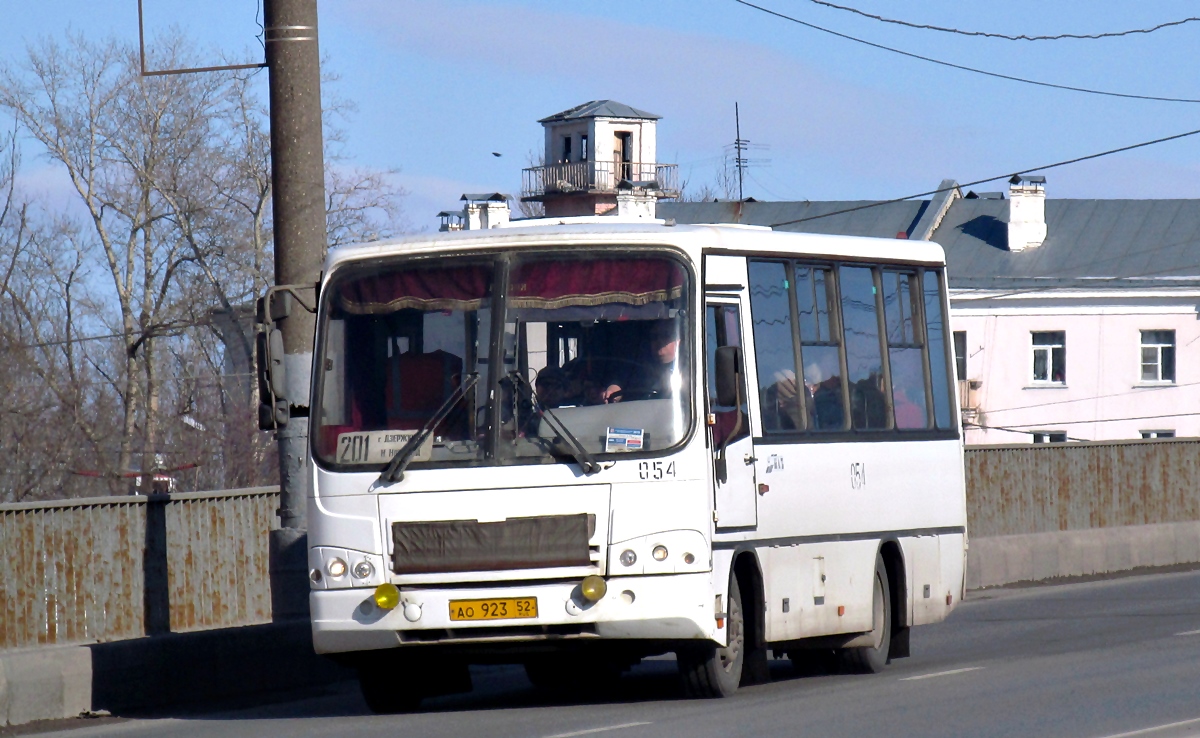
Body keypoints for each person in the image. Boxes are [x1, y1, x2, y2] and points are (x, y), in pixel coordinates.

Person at [600, 319, 681, 403]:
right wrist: (611, 392)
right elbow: (618, 383)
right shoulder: (638, 368)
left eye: (666, 336)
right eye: (654, 337)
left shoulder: (688, 370)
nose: (659, 342)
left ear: (679, 340)